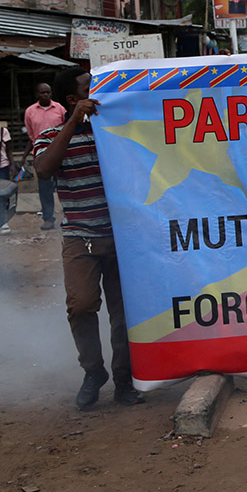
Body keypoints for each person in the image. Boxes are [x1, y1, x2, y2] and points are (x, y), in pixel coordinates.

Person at [33, 66, 144, 409]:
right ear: (73, 99)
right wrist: (72, 123)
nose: (97, 90)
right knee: (81, 305)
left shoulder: (111, 132)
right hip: (80, 237)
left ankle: (124, 380)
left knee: (123, 313)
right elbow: (44, 170)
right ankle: (93, 371)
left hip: (121, 236)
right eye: (88, 87)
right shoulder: (50, 137)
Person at [23, 82, 65, 230]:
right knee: (45, 188)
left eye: (48, 92)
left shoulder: (60, 109)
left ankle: (69, 216)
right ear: (37, 94)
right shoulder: (30, 112)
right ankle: (48, 219)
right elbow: (31, 134)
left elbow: (66, 128)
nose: (46, 95)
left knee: (64, 185)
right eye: (42, 92)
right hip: (41, 153)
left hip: (60, 152)